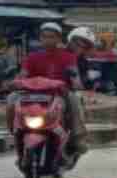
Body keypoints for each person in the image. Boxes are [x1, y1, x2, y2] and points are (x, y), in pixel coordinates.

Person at [7, 22, 86, 157]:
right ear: (40, 38)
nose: (47, 40)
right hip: (32, 94)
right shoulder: (32, 57)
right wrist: (15, 83)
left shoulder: (68, 57)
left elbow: (75, 76)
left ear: (59, 39)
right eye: (44, 36)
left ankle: (77, 138)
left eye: (51, 37)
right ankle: (14, 132)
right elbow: (23, 74)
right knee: (11, 98)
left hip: (58, 94)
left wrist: (76, 82)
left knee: (75, 99)